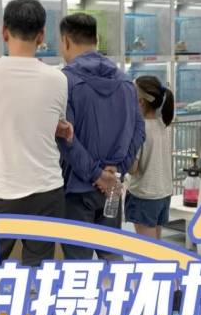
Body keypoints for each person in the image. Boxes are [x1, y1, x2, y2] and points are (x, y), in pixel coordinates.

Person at [0, 0, 71, 266]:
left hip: (0, 189)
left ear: (4, 32)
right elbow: (54, 123)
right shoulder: (58, 79)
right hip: (46, 191)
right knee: (37, 268)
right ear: (41, 36)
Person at [57, 13, 145, 258]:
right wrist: (116, 171)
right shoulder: (125, 81)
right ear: (95, 40)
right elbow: (139, 130)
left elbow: (65, 137)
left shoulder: (66, 81)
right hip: (112, 187)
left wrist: (97, 175)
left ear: (66, 41)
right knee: (112, 256)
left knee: (78, 263)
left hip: (77, 189)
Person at [125, 76, 175, 240]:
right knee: (156, 244)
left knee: (147, 249)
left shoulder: (140, 128)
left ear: (140, 102)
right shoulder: (163, 124)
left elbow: (133, 169)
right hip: (163, 193)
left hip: (144, 196)